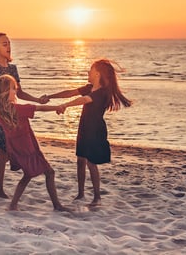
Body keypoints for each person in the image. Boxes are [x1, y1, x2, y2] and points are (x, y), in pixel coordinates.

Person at [45, 59, 132, 207]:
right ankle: (81, 193)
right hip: (84, 127)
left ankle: (97, 197)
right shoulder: (89, 87)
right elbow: (70, 92)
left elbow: (84, 100)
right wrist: (50, 96)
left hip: (95, 130)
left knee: (91, 163)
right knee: (80, 160)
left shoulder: (102, 93)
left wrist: (65, 105)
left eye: (90, 70)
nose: (88, 73)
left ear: (97, 74)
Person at [0, 33, 48, 198]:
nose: (8, 46)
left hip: (9, 113)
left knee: (8, 152)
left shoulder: (12, 69)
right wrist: (0, 97)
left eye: (9, 43)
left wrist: (37, 100)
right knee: (4, 152)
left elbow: (19, 93)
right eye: (4, 44)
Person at [0, 74, 71, 212]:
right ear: (5, 92)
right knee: (49, 173)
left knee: (28, 175)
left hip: (18, 148)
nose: (16, 92)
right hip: (28, 148)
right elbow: (38, 108)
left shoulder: (2, 111)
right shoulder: (16, 109)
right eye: (13, 89)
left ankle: (13, 205)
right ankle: (56, 205)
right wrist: (57, 107)